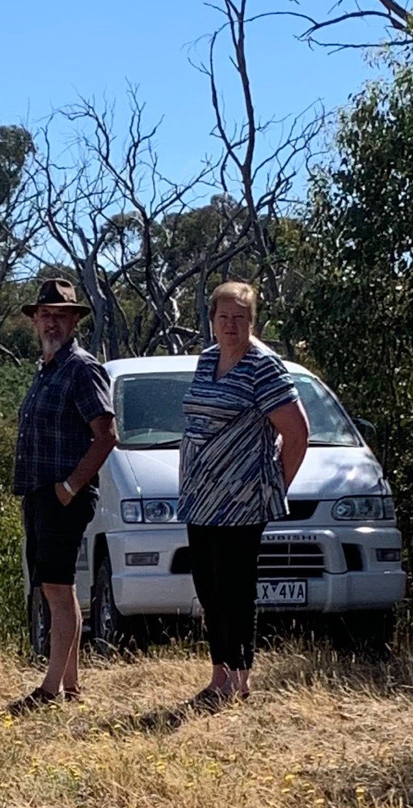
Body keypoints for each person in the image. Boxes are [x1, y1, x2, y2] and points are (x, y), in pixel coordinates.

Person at [178, 282, 309, 709]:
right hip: (200, 498)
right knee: (209, 587)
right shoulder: (207, 359)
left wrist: (272, 485)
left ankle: (240, 679)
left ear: (252, 321)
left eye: (240, 317)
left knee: (236, 590)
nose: (230, 326)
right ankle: (218, 675)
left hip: (242, 501)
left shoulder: (263, 366)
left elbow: (296, 432)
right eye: (223, 317)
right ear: (211, 320)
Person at [9, 279, 118, 715]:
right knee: (57, 587)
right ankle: (69, 683)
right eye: (45, 314)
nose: (52, 321)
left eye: (61, 314)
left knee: (57, 587)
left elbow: (106, 435)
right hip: (38, 493)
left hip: (63, 496)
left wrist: (71, 486)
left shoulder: (82, 368)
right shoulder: (46, 369)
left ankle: (51, 688)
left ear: (75, 321)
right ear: (35, 320)